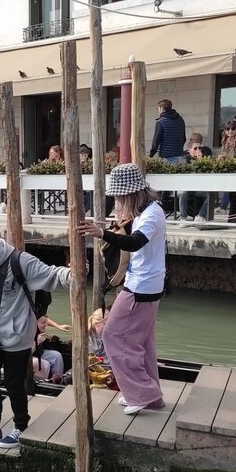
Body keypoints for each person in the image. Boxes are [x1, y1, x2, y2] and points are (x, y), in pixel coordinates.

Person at [0, 230, 71, 449]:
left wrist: (74, 273)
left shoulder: (21, 261)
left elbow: (52, 275)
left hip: (17, 335)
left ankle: (20, 426)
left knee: (14, 384)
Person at [77, 163, 167, 415]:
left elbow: (135, 243)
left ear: (131, 194)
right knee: (143, 343)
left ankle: (142, 393)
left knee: (113, 335)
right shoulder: (148, 210)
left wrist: (101, 233)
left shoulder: (152, 214)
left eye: (119, 197)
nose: (117, 201)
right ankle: (150, 396)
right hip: (146, 283)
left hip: (141, 286)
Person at [177, 139, 212, 221]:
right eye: (195, 148)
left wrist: (201, 161)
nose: (198, 150)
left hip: (196, 188)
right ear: (189, 150)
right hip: (184, 187)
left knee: (210, 194)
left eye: (200, 148)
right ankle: (183, 218)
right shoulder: (184, 159)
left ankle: (201, 215)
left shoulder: (203, 160)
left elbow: (206, 174)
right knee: (183, 193)